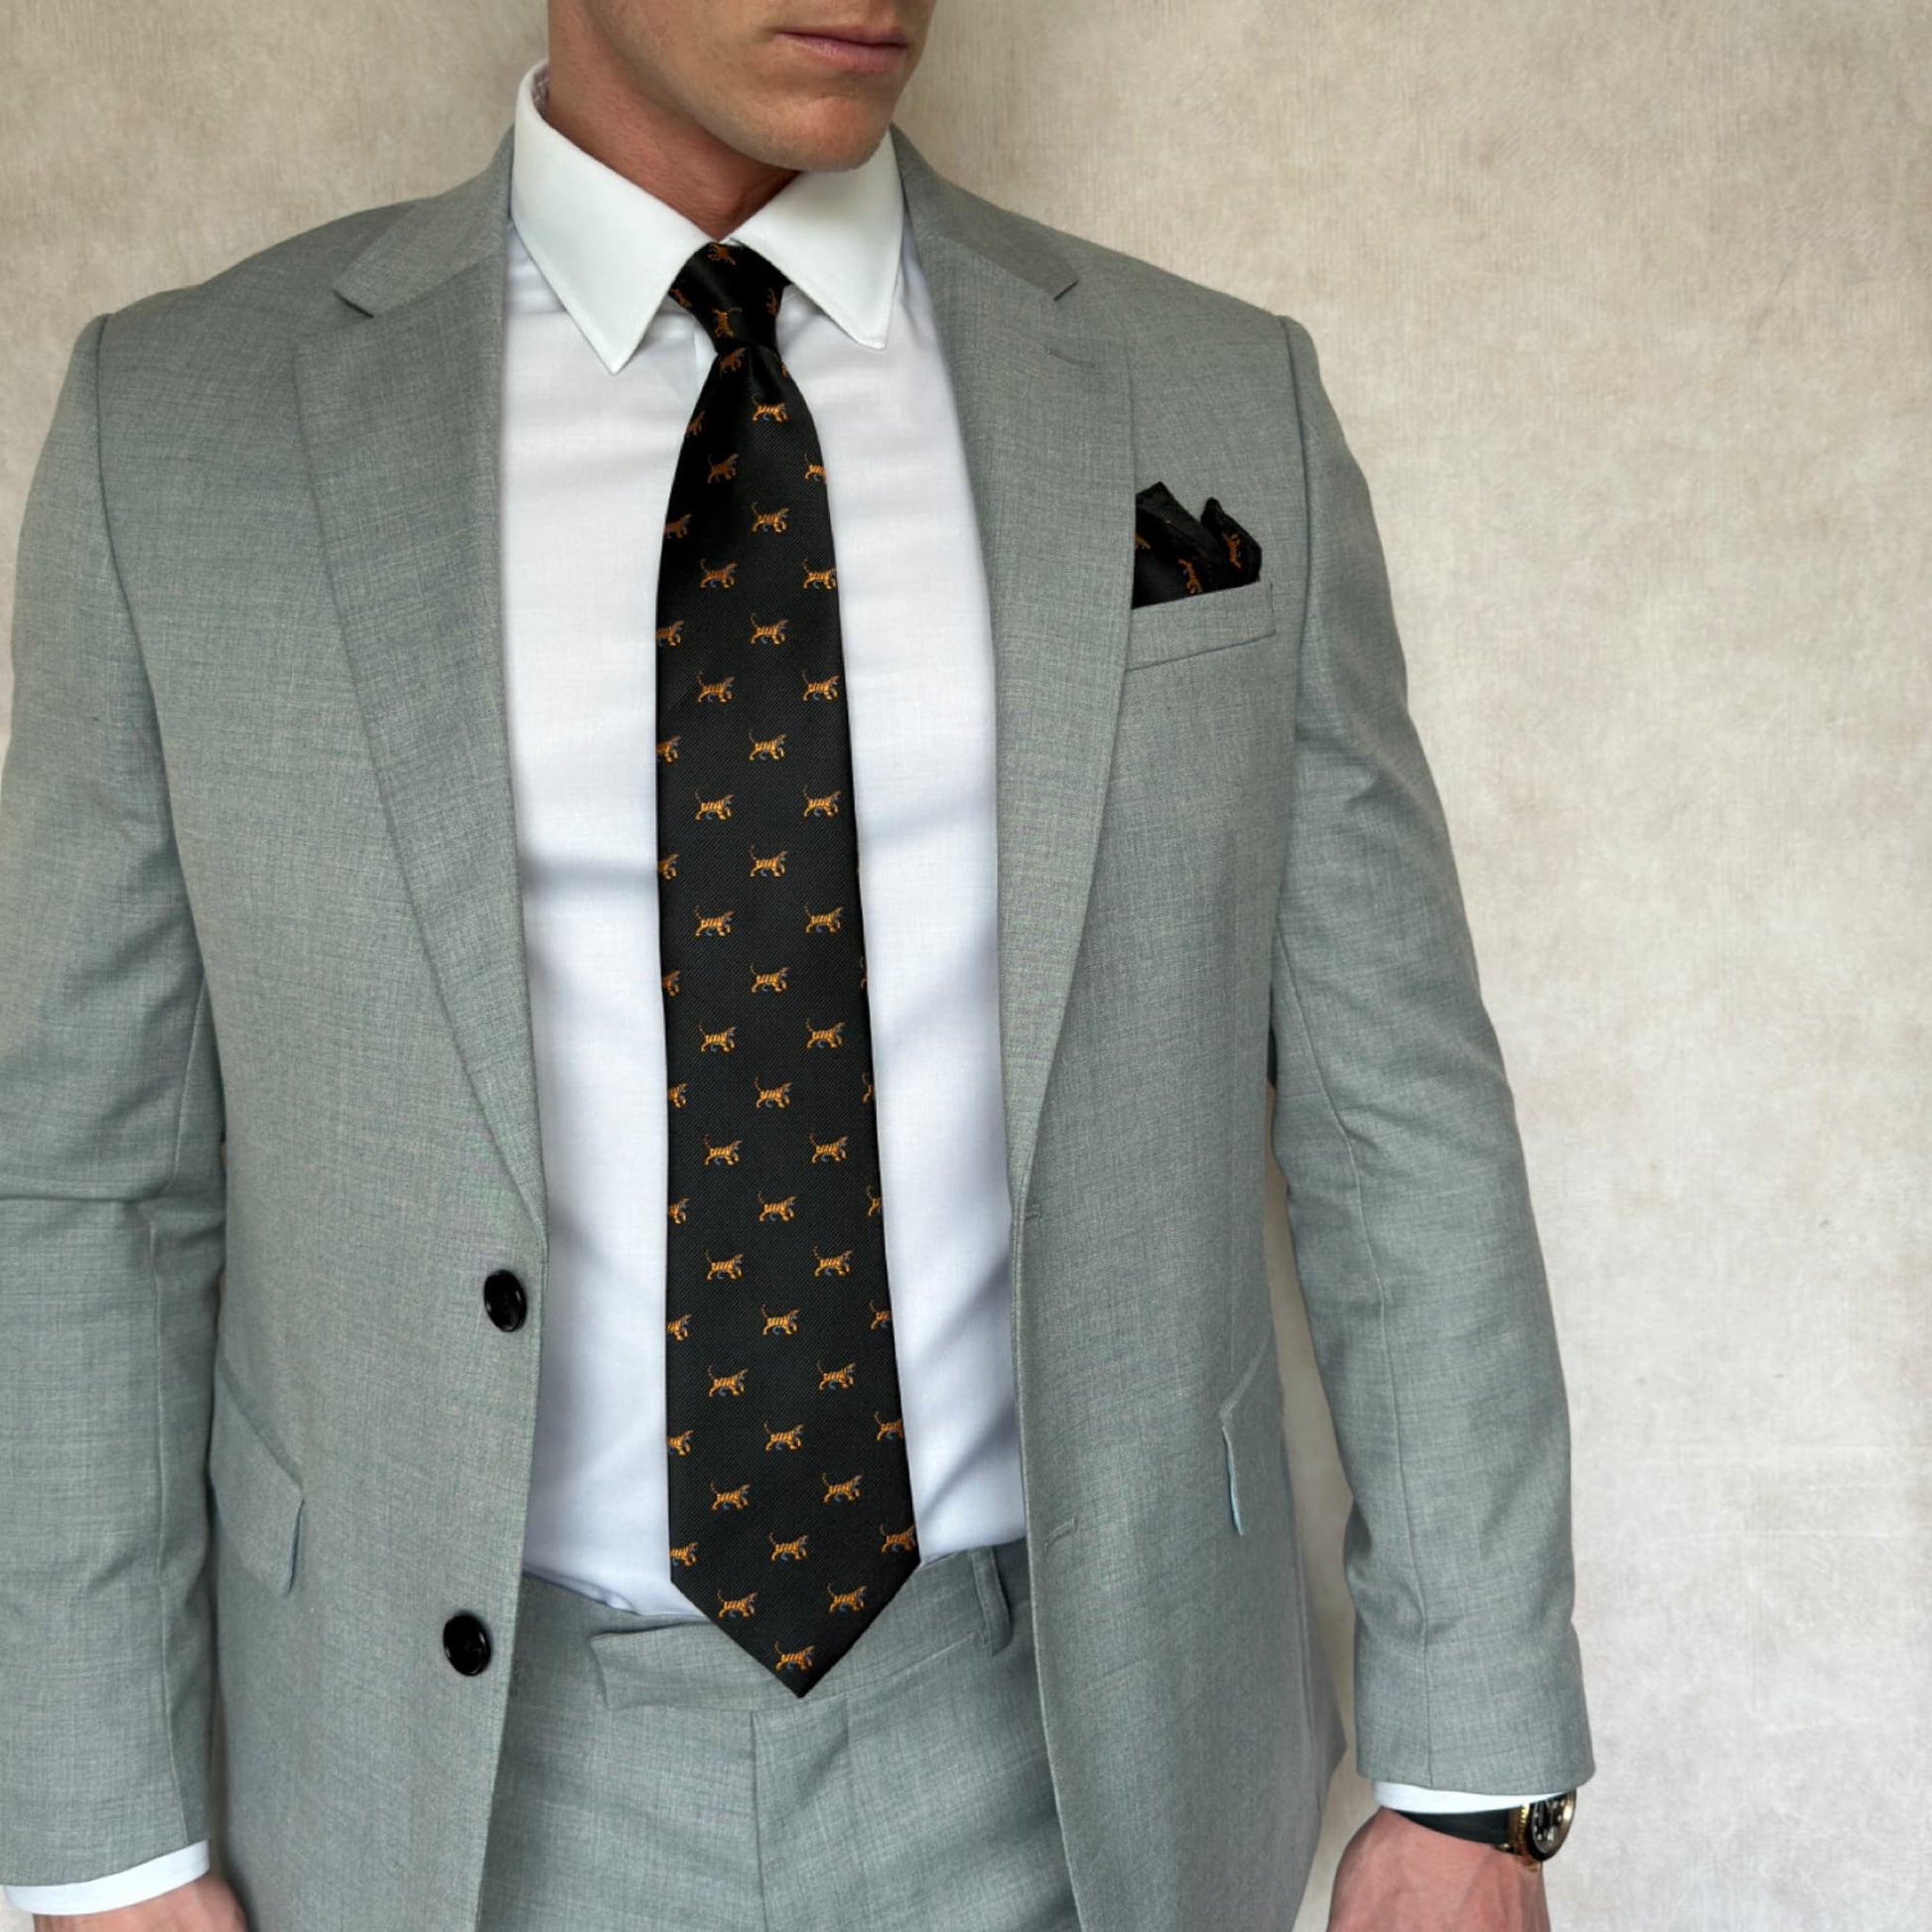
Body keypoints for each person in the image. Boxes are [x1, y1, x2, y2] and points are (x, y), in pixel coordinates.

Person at [0, 3, 1593, 1928]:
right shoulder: (184, 425)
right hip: (433, 1774)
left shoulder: (1209, 394)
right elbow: (85, 1178)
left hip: (1085, 1755)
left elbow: (1392, 1104)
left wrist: (1472, 1775)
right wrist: (103, 1838)